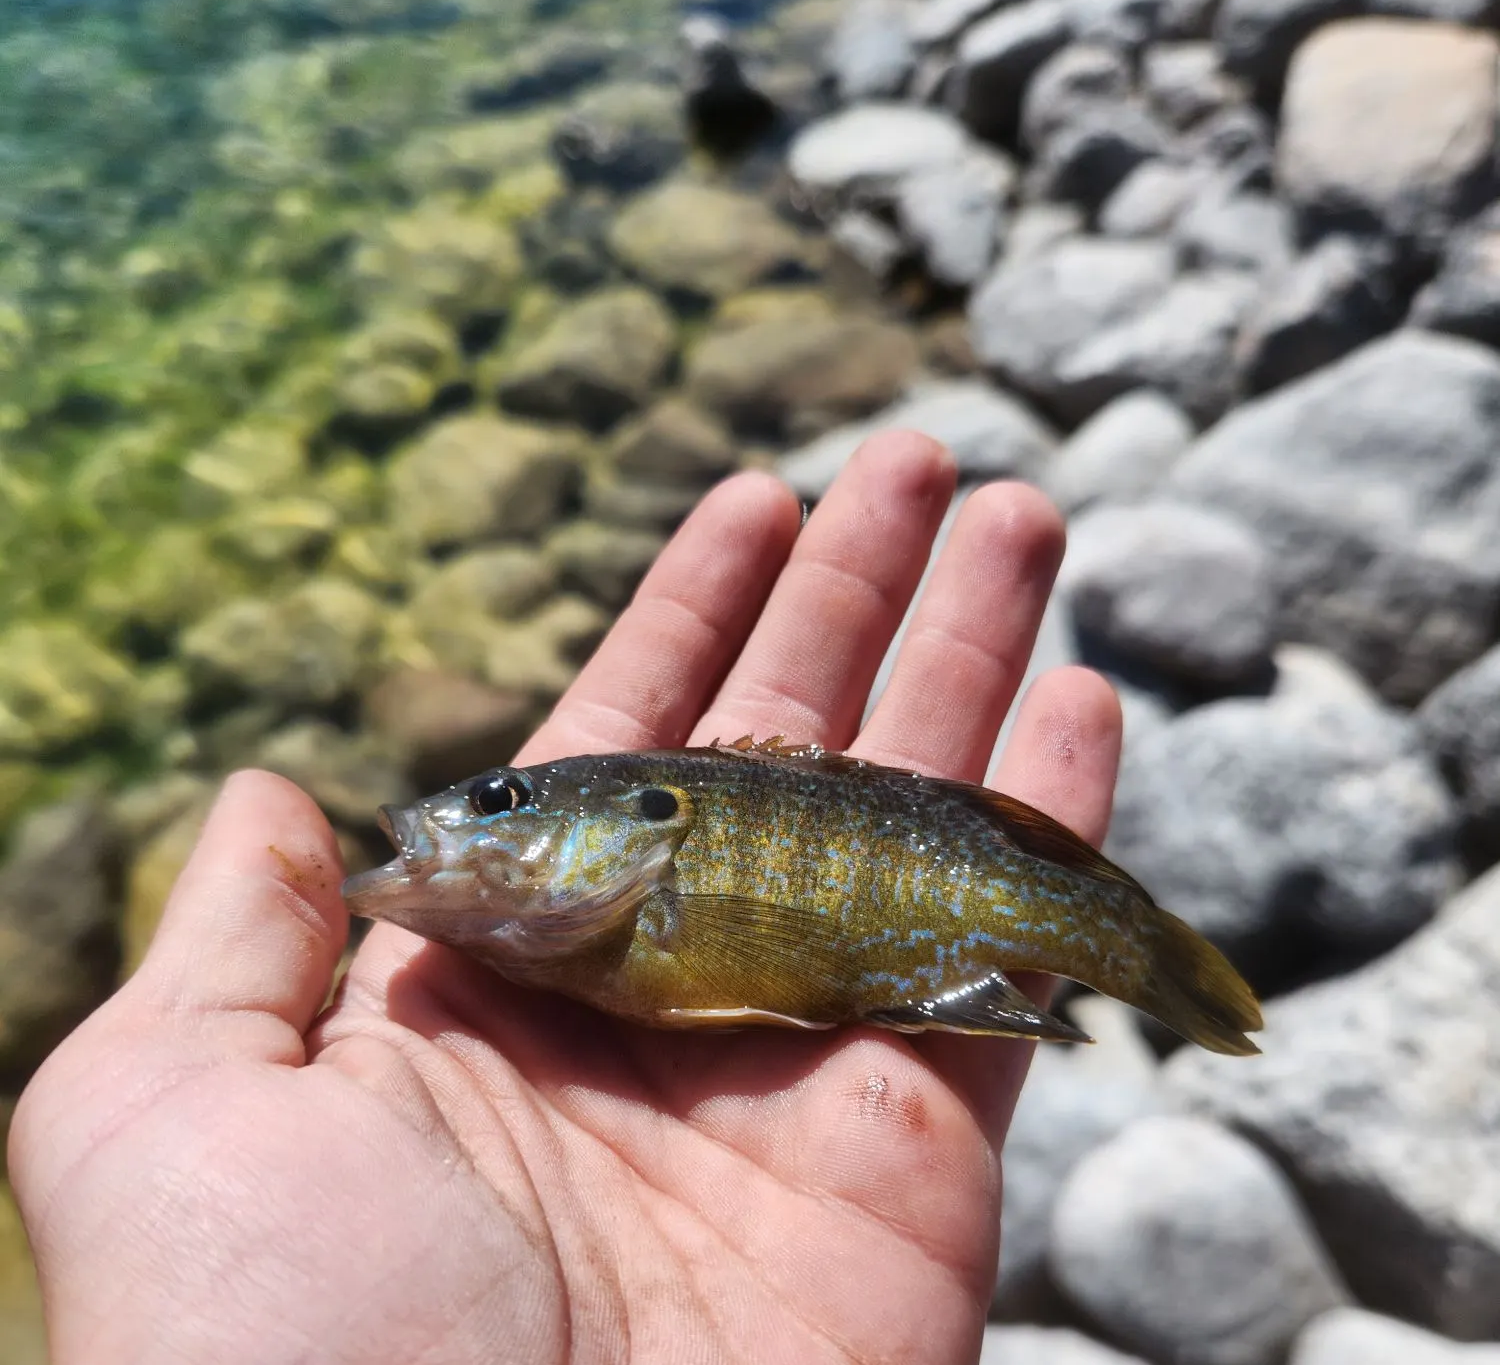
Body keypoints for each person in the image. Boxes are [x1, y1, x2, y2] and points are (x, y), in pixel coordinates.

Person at [8, 431, 1121, 1364]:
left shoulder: (628, 897)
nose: (451, 819)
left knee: (1088, 925)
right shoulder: (543, 943)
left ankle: (1124, 943)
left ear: (636, 823)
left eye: (500, 800)